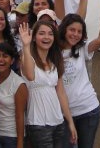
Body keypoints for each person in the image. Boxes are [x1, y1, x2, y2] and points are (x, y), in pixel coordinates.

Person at [58, 4, 100, 148]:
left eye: (79, 31)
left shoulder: (82, 48)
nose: (75, 34)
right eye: (72, 30)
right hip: (63, 114)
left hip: (88, 110)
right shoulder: (52, 51)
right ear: (64, 29)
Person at [19, 19, 77, 147]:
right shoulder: (27, 57)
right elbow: (30, 75)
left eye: (50, 34)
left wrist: (70, 122)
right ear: (34, 38)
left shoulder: (55, 60)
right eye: (42, 33)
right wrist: (26, 45)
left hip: (58, 122)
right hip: (38, 124)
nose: (46, 37)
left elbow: (61, 93)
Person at [0, 42, 27, 148]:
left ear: (12, 61)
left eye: (5, 56)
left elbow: (20, 116)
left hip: (12, 136)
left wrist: (20, 143)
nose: (0, 59)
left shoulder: (19, 83)